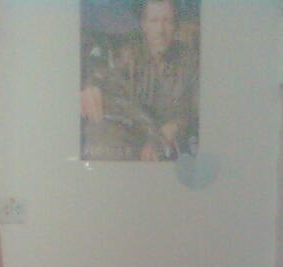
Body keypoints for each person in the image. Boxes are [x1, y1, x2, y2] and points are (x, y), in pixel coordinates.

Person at [81, 0, 199, 162]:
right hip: (131, 144)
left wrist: (176, 126)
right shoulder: (126, 55)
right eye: (154, 21)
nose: (161, 30)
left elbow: (197, 109)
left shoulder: (190, 60)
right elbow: (100, 77)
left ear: (175, 25)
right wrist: (89, 85)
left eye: (167, 21)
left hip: (175, 152)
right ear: (144, 25)